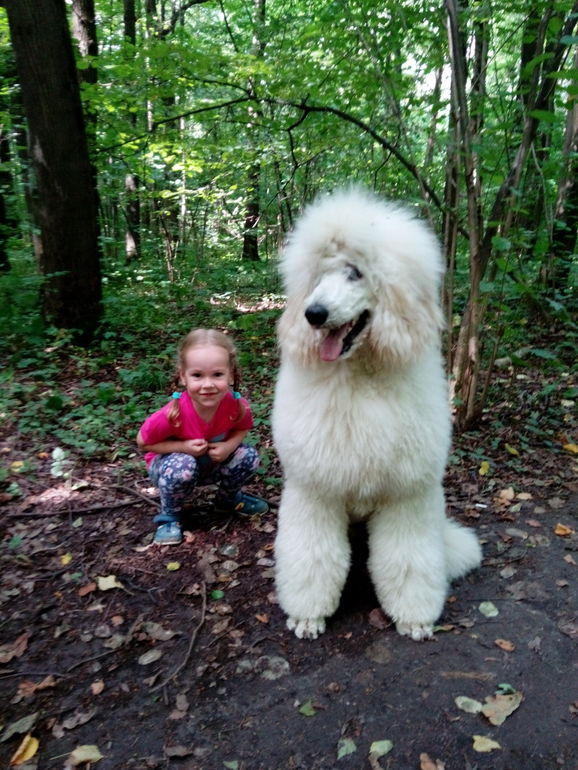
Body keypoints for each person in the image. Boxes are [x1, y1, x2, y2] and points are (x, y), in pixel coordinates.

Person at [137, 328, 268, 545]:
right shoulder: (172, 414)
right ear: (183, 376)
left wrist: (229, 446)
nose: (208, 384)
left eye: (217, 374)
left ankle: (227, 501)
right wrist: (183, 447)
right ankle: (170, 516)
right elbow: (143, 443)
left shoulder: (236, 406)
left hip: (210, 465)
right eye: (197, 375)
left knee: (249, 456)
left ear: (231, 374)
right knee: (183, 465)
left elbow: (243, 428)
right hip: (172, 470)